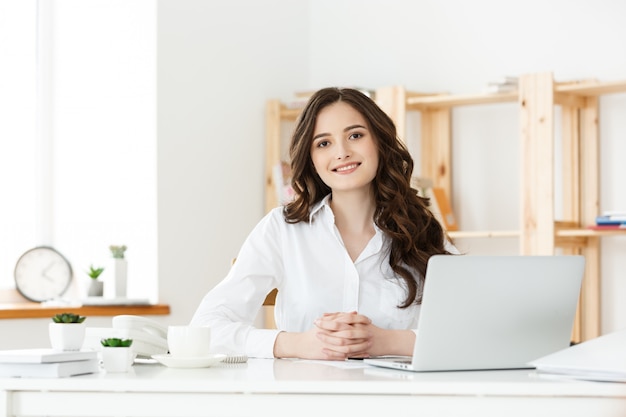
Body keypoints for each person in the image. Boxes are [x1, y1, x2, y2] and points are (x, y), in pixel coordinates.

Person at [191, 87, 458, 360]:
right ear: (312, 159)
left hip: (401, 398)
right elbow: (205, 327)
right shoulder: (282, 229)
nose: (341, 153)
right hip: (304, 397)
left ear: (379, 141)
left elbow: (471, 332)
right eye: (323, 143)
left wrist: (389, 342)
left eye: (355, 135)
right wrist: (295, 345)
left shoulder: (422, 229)